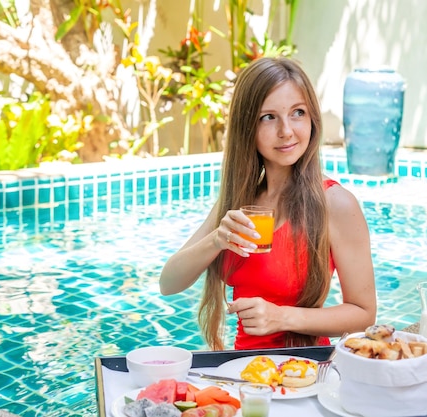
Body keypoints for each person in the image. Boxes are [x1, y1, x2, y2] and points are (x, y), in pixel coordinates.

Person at [160, 57, 376, 350]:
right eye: (268, 117)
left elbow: (364, 315)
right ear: (247, 127)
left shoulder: (335, 204)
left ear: (312, 118)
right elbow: (169, 283)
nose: (286, 130)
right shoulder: (239, 201)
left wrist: (281, 317)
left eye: (297, 113)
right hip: (242, 372)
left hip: (304, 372)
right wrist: (216, 241)